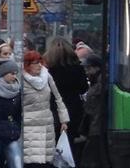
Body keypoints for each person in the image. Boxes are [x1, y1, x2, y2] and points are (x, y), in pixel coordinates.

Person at [44, 37, 89, 165]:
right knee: (70, 142)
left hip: (53, 110)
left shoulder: (48, 71)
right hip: (73, 109)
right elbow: (83, 88)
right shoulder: (77, 69)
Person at [23, 50, 70, 168]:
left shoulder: (46, 76)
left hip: (46, 125)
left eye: (40, 62)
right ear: (27, 65)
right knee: (32, 162)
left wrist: (63, 120)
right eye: (35, 63)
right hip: (29, 126)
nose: (39, 65)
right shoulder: (21, 79)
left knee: (46, 161)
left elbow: (58, 98)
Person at [0, 60, 22, 168]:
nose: (14, 76)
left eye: (15, 73)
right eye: (11, 73)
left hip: (11, 132)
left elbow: (17, 114)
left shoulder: (16, 90)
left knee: (17, 159)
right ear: (4, 74)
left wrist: (16, 128)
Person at [79, 54, 109, 168]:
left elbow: (91, 108)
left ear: (97, 68)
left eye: (89, 68)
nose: (86, 71)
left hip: (97, 127)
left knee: (90, 159)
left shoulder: (100, 85)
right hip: (96, 126)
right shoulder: (98, 82)